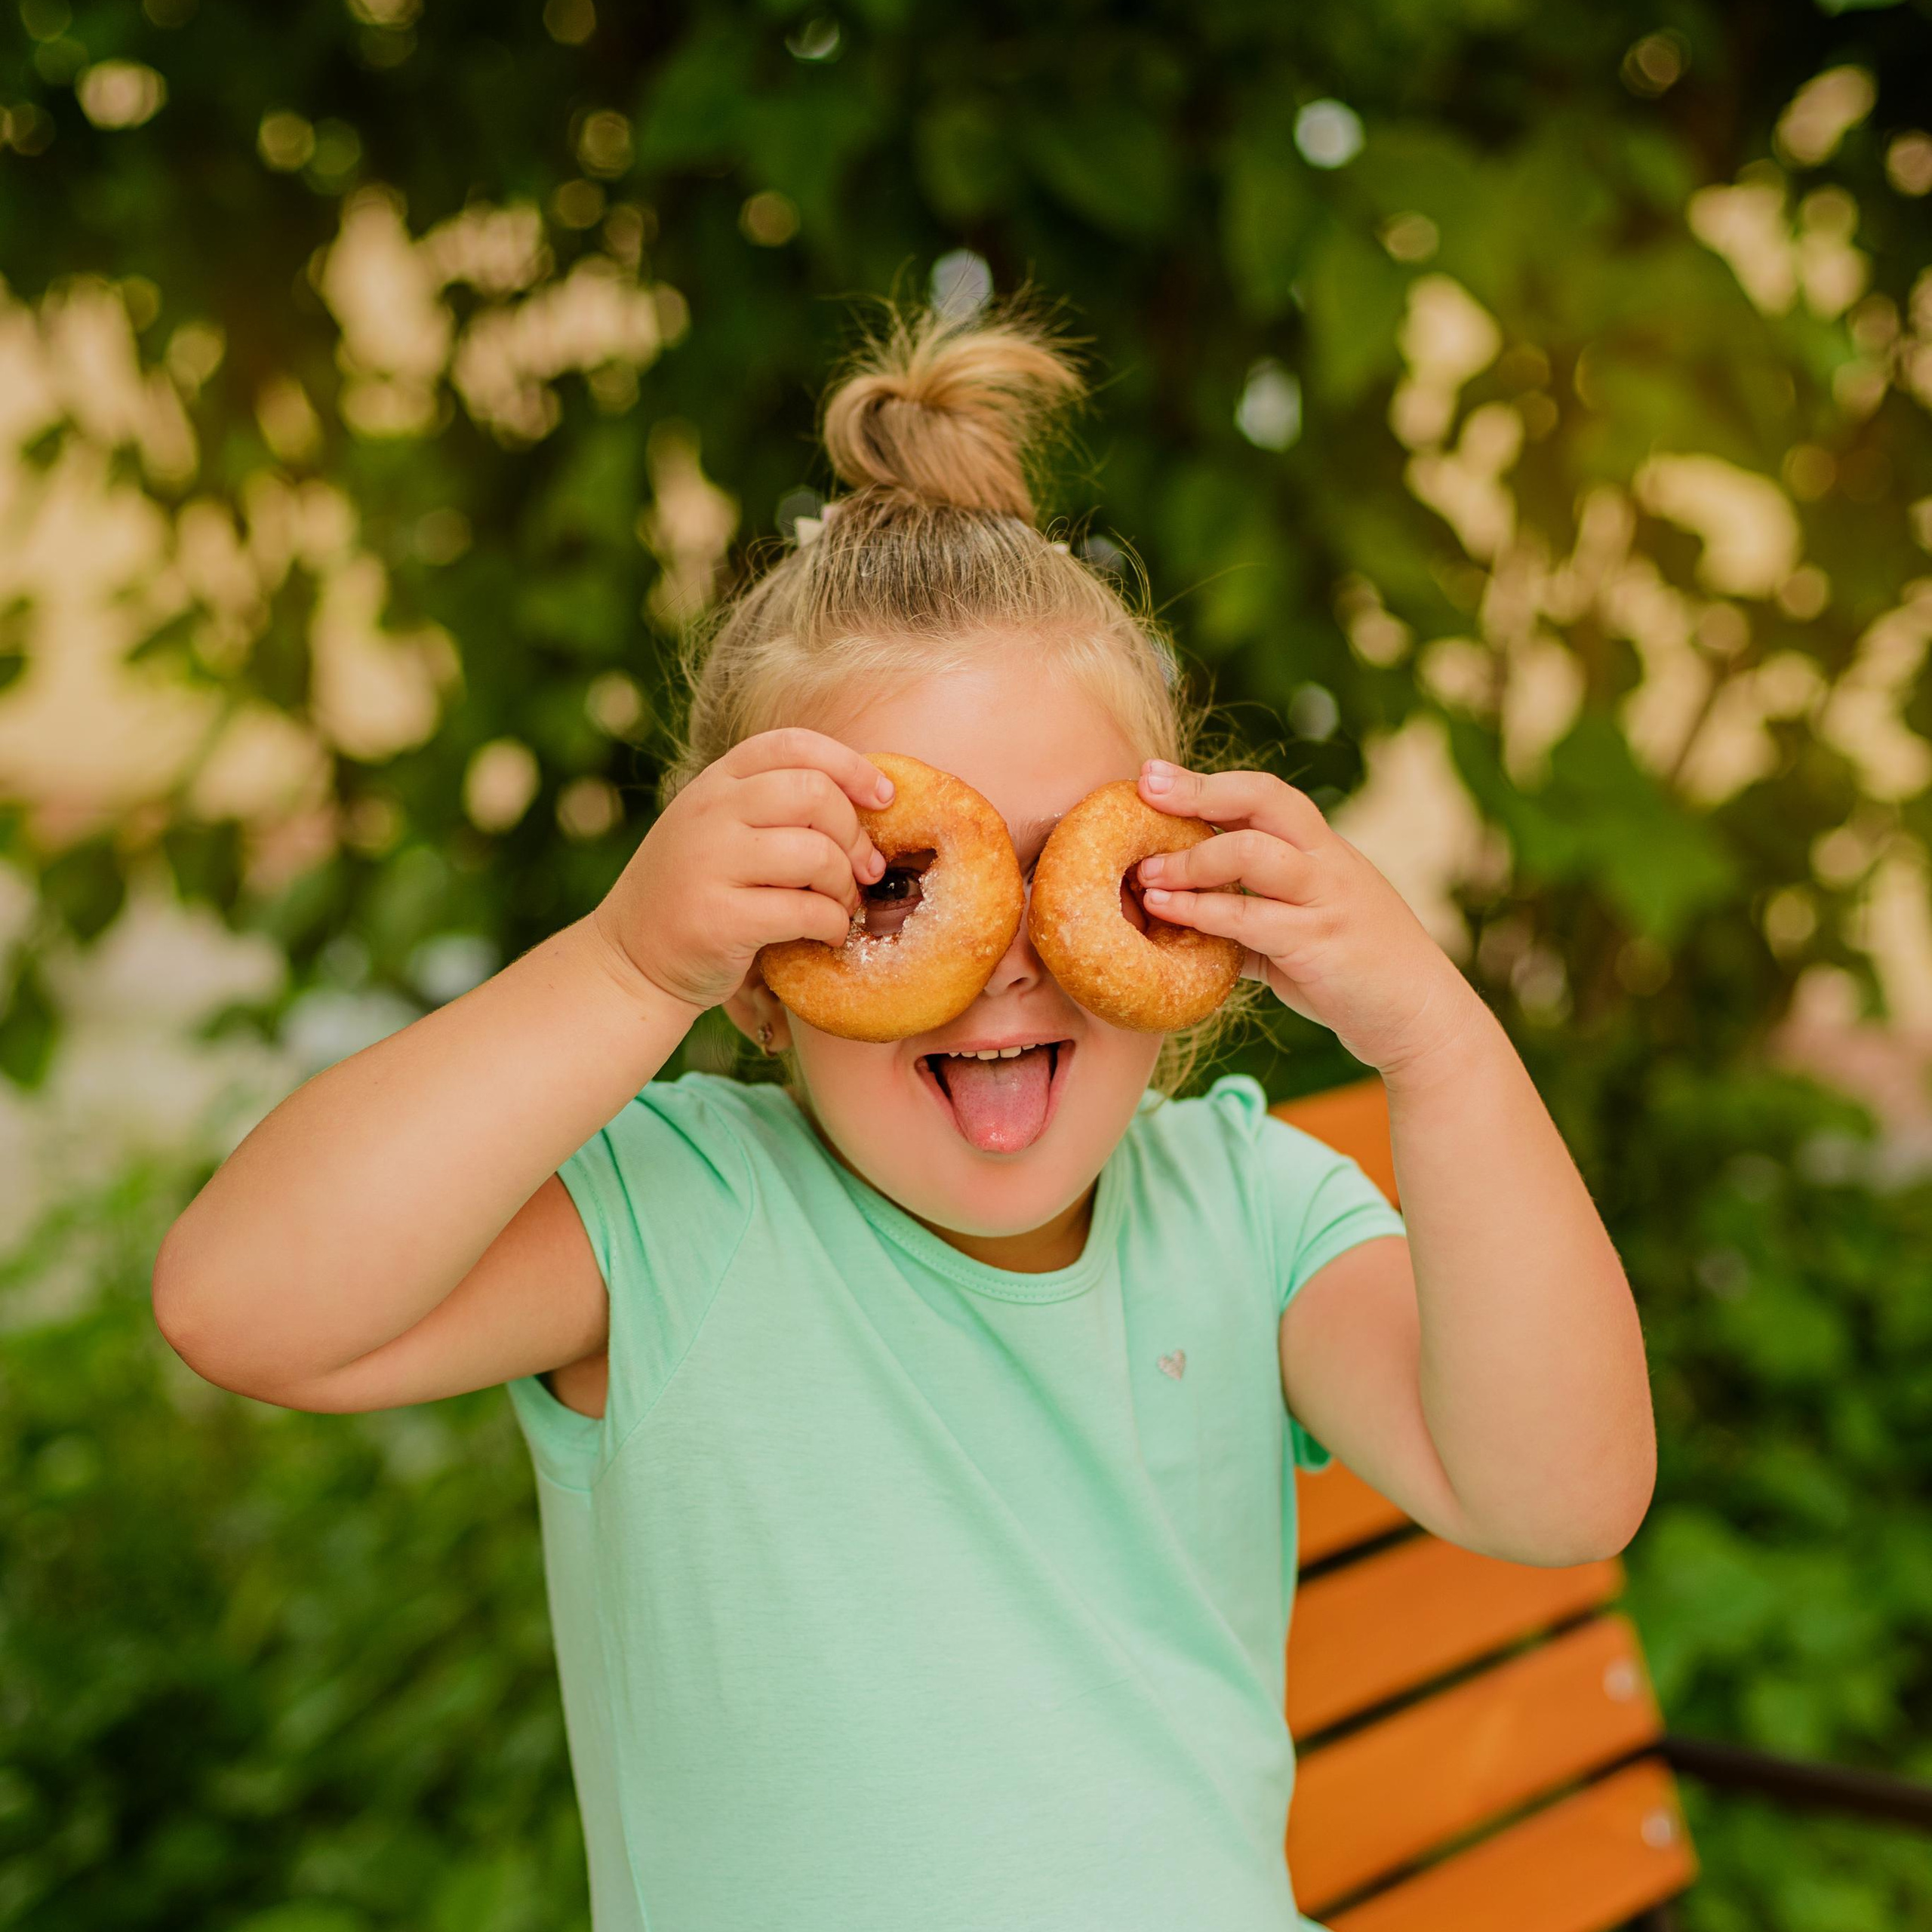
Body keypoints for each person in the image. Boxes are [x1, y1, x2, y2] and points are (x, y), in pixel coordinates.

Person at [152, 304, 1655, 1932]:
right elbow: (243, 1305)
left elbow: (1556, 1492)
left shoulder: (1247, 1213)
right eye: (895, 883)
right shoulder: (674, 1223)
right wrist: (615, 967)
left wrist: (1431, 1031)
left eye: (1060, 857)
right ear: (751, 970)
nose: (1004, 962)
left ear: (1177, 914)